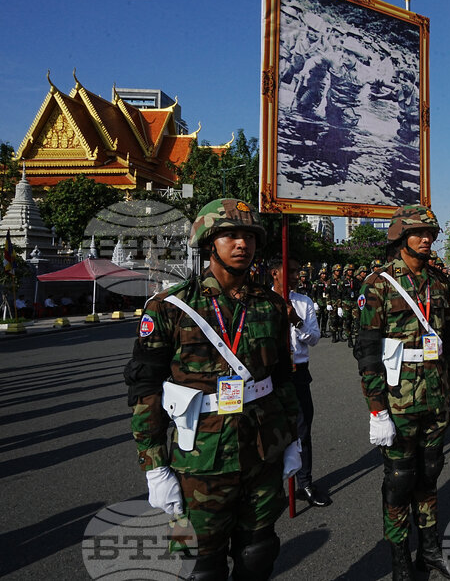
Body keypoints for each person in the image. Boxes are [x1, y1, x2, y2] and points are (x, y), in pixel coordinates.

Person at [123, 198, 301, 580]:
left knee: (259, 553)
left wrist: (292, 439)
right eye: (230, 235)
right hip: (200, 461)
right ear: (208, 243)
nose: (242, 244)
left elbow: (284, 379)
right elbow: (145, 390)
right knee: (202, 566)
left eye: (249, 236)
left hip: (262, 451)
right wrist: (154, 466)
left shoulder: (271, 306)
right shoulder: (169, 308)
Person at [353, 205, 450, 580]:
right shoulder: (379, 284)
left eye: (430, 233)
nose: (426, 238)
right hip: (398, 399)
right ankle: (400, 557)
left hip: (435, 394)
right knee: (400, 480)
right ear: (400, 237)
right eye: (418, 232)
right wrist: (377, 410)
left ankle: (429, 550)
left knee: (430, 473)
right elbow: (368, 353)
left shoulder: (439, 283)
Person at [268, 256, 330, 508]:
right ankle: (271, 488)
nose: (296, 276)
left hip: (298, 372)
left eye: (298, 271)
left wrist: (296, 321)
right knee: (271, 432)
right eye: (290, 271)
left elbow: (314, 338)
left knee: (302, 430)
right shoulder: (262, 301)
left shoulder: (304, 302)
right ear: (274, 273)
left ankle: (305, 483)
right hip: (271, 374)